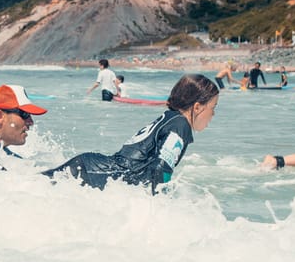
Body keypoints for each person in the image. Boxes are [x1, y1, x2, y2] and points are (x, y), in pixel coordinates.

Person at [43, 74, 219, 194]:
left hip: (95, 168)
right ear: (197, 107)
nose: (213, 115)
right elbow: (161, 168)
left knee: (34, 185)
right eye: (213, 108)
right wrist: (162, 207)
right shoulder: (181, 126)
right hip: (98, 174)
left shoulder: (170, 117)